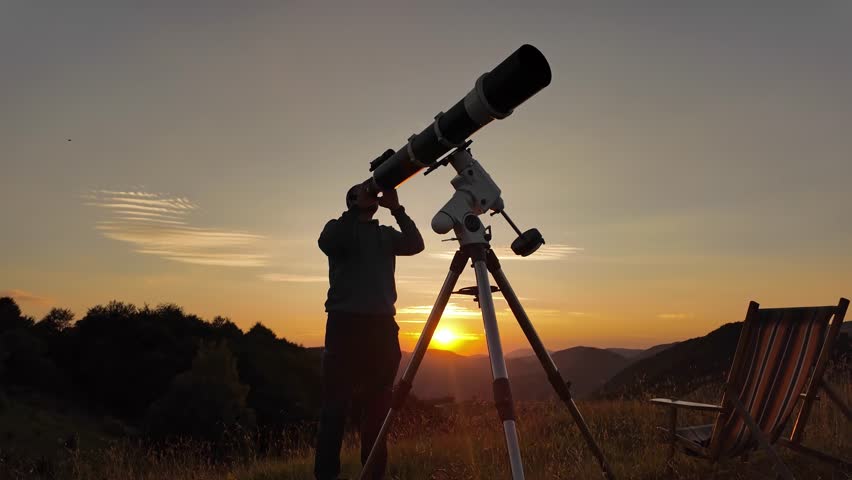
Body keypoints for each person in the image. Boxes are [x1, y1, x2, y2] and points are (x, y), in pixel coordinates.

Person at [315, 182, 425, 480]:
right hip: (344, 325)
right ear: (351, 200)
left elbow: (416, 244)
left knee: (377, 413)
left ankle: (373, 475)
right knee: (334, 411)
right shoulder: (337, 228)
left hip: (380, 328)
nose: (370, 196)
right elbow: (331, 243)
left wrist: (398, 209)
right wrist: (355, 210)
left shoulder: (385, 234)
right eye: (362, 193)